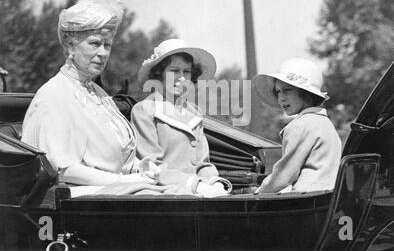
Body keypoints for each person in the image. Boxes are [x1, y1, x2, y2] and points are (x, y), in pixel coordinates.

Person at [22, 0, 161, 196]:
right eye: (94, 43)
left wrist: (142, 169)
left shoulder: (99, 94)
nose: (103, 53)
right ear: (70, 45)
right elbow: (62, 168)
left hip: (116, 194)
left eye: (108, 45)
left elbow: (118, 156)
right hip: (76, 201)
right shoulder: (53, 95)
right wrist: (122, 182)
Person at [131, 39, 232, 197]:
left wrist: (214, 182)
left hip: (196, 194)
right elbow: (151, 166)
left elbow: (202, 164)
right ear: (159, 74)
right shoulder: (144, 110)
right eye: (174, 71)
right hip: (161, 195)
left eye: (186, 72)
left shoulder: (194, 113)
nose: (181, 78)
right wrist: (195, 185)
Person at [252, 58, 342, 193]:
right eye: (278, 91)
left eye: (287, 90)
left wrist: (257, 193)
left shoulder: (300, 126)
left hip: (306, 201)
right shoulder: (326, 123)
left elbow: (283, 177)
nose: (281, 98)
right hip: (327, 198)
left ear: (305, 92)